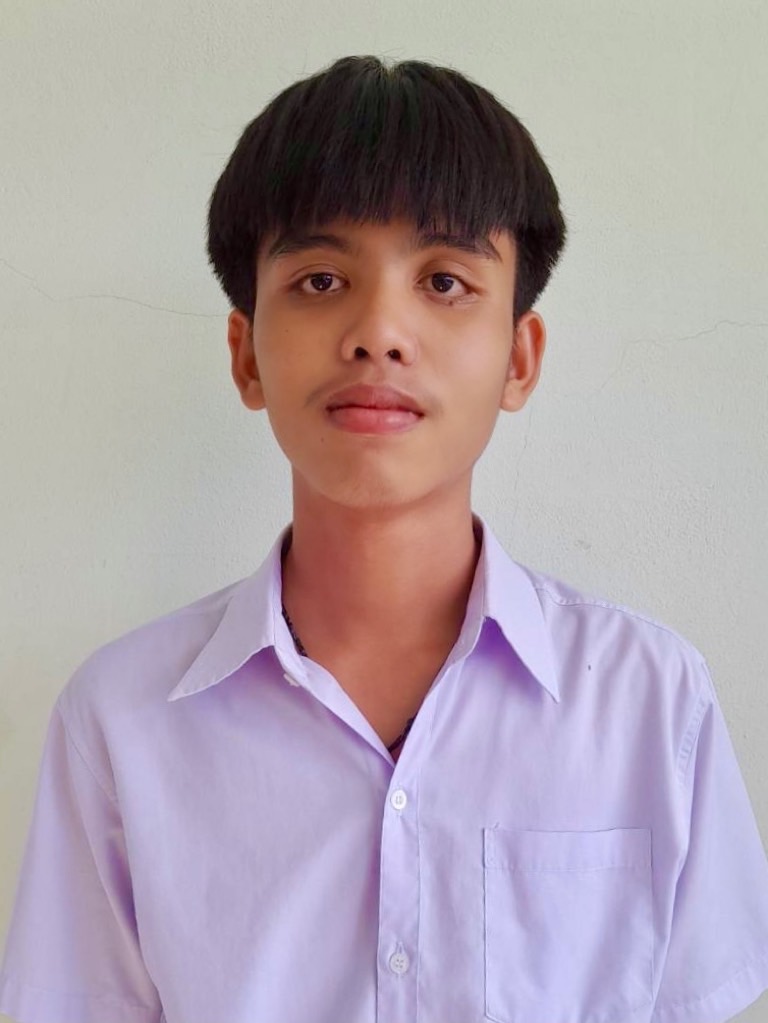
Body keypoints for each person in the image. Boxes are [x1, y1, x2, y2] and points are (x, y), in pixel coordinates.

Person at [2, 54, 768, 1023]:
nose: (379, 332)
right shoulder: (120, 720)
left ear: (519, 356)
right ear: (246, 354)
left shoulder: (651, 702)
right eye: (321, 279)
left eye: (444, 281)